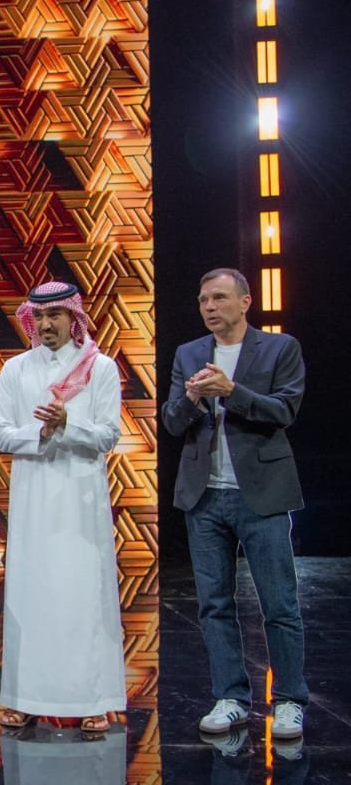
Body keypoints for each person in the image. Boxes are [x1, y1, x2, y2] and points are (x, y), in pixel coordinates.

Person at [162, 268, 307, 740]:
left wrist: (232, 392)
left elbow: (285, 410)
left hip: (260, 493)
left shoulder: (280, 348)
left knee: (279, 604)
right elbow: (172, 422)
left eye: (220, 298)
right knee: (214, 605)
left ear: (245, 302)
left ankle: (289, 700)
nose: (209, 306)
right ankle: (230, 697)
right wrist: (189, 398)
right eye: (204, 299)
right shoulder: (188, 353)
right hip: (204, 496)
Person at [0, 281, 126, 733]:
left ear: (74, 318)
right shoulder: (15, 370)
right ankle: (25, 698)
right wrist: (42, 433)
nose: (46, 325)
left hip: (81, 504)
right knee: (31, 596)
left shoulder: (100, 368)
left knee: (82, 596)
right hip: (32, 502)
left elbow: (108, 435)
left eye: (55, 316)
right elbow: (2, 433)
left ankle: (92, 700)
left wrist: (69, 425)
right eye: (39, 317)